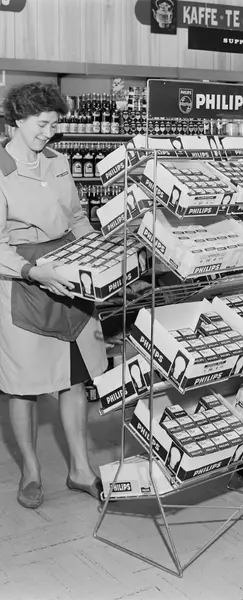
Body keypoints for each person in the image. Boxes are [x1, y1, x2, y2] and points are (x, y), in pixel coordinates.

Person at [0, 83, 108, 509]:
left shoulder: (59, 162)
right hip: (24, 281)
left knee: (74, 376)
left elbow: (77, 217)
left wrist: (96, 248)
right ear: (17, 120)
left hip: (69, 277)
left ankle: (80, 469)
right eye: (42, 124)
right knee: (23, 385)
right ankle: (30, 470)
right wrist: (32, 271)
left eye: (54, 125)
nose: (49, 132)